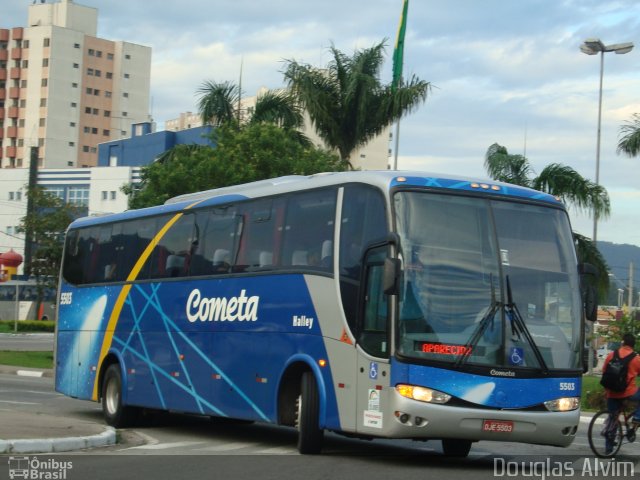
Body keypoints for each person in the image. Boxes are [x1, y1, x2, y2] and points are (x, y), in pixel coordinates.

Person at [602, 333, 640, 452]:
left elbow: (604, 372)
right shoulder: (636, 358)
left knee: (613, 417)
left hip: (611, 393)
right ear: (633, 345)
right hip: (628, 393)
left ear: (622, 342)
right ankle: (637, 418)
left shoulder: (611, 355)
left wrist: (606, 391)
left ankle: (608, 449)